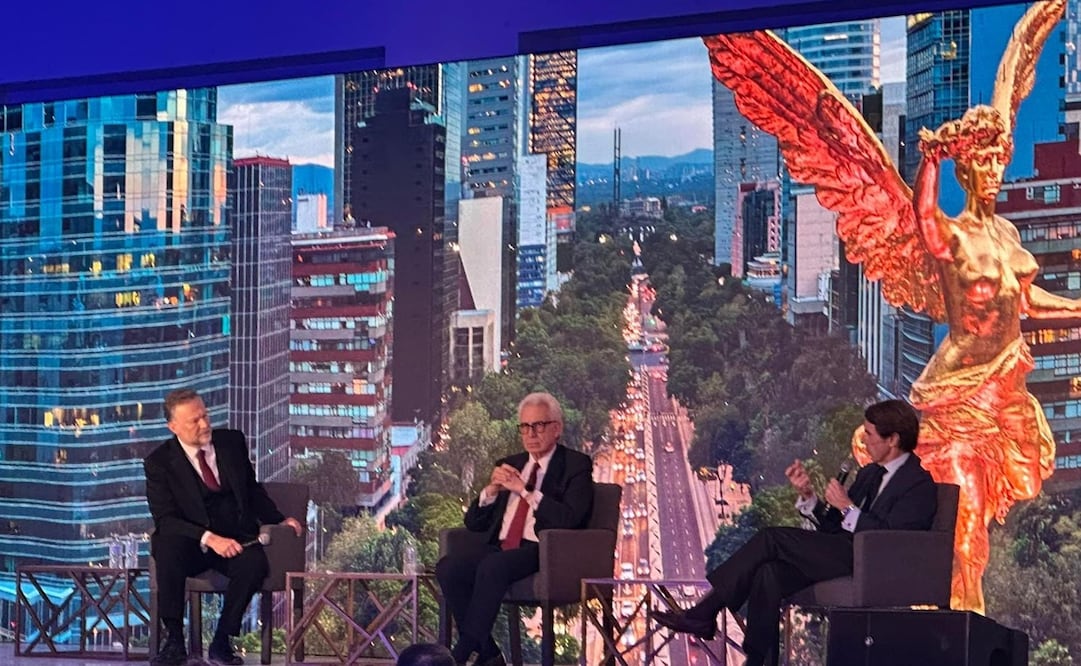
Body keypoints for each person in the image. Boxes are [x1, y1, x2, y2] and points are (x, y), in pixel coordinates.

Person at [653, 400, 937, 666]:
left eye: (870, 435)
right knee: (769, 573)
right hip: (841, 551)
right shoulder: (868, 474)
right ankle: (758, 660)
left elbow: (894, 541)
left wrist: (849, 508)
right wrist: (809, 496)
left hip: (873, 564)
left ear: (893, 439)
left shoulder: (918, 485)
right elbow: (831, 526)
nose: (864, 441)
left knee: (771, 538)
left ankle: (704, 612)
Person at [144, 388, 303, 666]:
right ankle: (174, 641)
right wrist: (209, 538)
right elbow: (165, 518)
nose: (205, 425)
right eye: (194, 421)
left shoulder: (231, 442)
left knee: (253, 564)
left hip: (234, 537)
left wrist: (278, 519)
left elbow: (251, 491)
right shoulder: (159, 463)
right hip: (192, 543)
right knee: (166, 546)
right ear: (174, 427)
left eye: (205, 415)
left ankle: (221, 642)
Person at [435, 392, 594, 666]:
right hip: (499, 546)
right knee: (448, 566)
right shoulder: (510, 463)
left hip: (543, 549)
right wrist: (491, 490)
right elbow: (474, 523)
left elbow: (571, 519)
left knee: (493, 566)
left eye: (539, 426)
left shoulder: (575, 466)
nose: (531, 434)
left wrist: (525, 490)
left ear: (557, 428)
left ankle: (463, 652)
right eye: (524, 427)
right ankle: (488, 653)